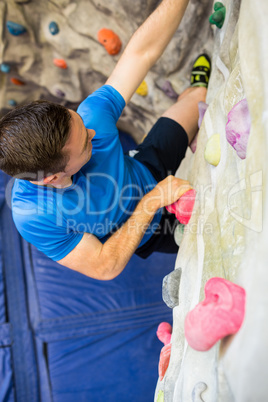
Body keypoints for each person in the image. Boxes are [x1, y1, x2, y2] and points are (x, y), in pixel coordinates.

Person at [0, 0, 210, 280]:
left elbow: (141, 53)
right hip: (150, 234)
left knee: (199, 100)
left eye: (77, 120)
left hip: (146, 163)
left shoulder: (92, 117)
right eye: (86, 144)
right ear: (52, 177)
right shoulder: (33, 215)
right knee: (212, 232)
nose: (92, 133)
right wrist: (152, 201)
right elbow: (105, 265)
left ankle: (194, 87)